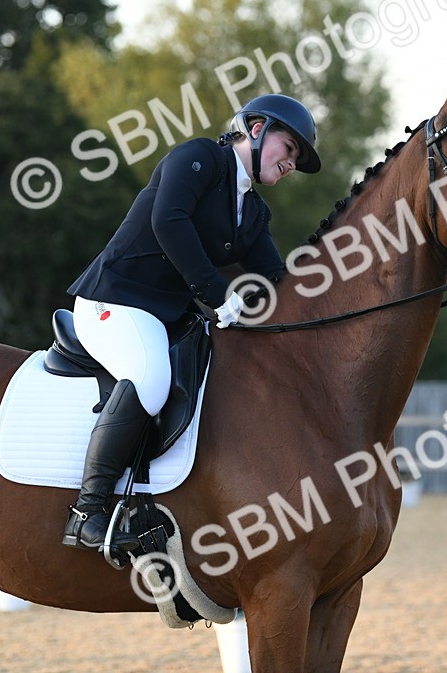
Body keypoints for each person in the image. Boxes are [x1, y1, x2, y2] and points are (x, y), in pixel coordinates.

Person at [61, 93, 321, 553]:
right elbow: (169, 220)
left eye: (297, 159)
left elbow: (276, 280)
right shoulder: (199, 158)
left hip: (166, 317)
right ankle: (87, 512)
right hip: (114, 299)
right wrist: (218, 295)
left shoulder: (253, 212)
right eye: (289, 148)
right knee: (150, 378)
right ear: (257, 130)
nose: (291, 164)